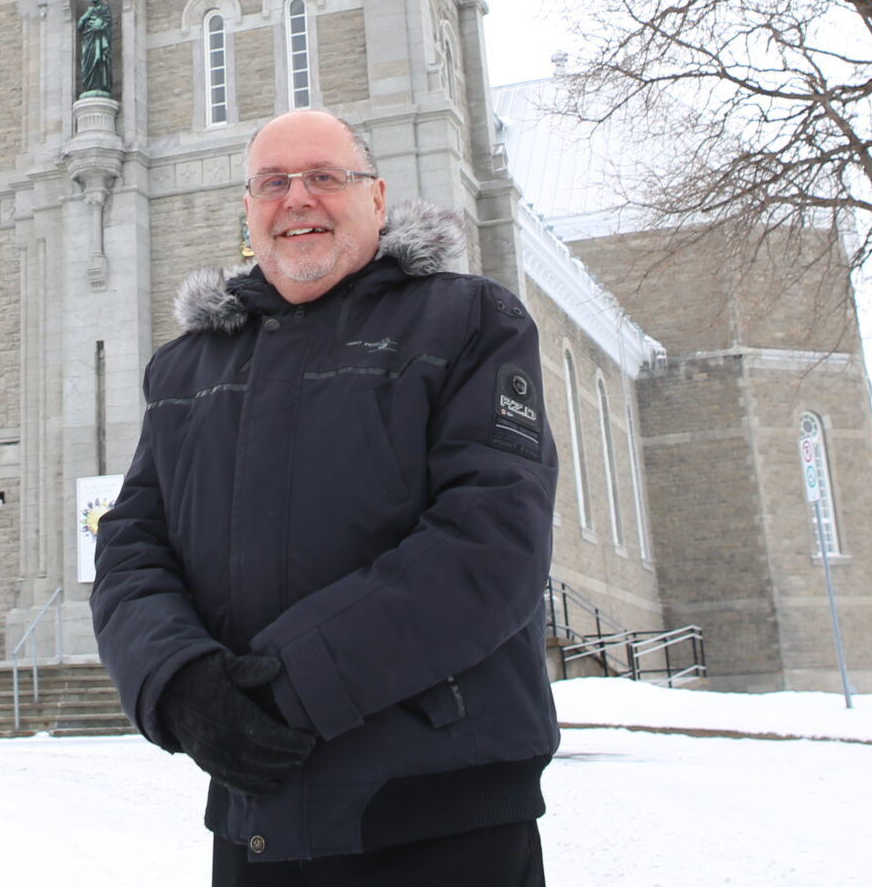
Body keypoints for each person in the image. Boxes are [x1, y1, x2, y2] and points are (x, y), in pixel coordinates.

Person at [93, 108, 559, 883]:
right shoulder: (186, 369)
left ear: (375, 199)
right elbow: (132, 547)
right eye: (272, 182)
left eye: (324, 177)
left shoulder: (470, 320)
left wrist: (281, 690)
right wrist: (181, 684)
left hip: (444, 821)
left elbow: (493, 542)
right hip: (259, 822)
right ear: (248, 210)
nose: (297, 197)